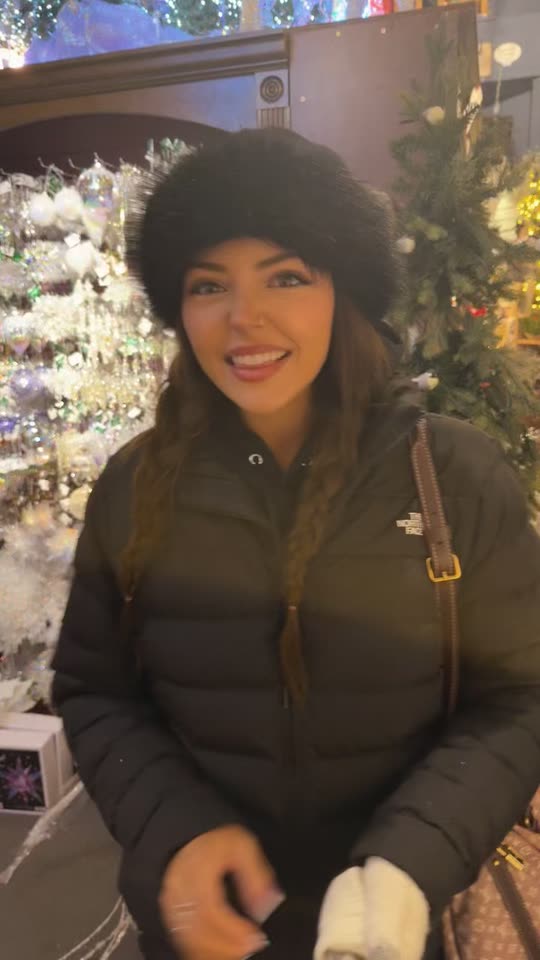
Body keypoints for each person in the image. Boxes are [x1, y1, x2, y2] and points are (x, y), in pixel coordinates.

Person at [52, 128, 540, 960]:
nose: (244, 319)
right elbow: (95, 690)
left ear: (342, 290)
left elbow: (521, 696)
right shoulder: (137, 485)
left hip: (392, 924)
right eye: (209, 285)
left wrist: (407, 863)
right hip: (204, 932)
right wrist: (176, 831)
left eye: (285, 276)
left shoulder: (453, 476)